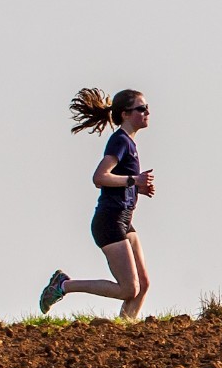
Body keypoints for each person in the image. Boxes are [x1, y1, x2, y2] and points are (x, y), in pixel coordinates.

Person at [40, 88, 156, 319]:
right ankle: (63, 285)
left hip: (124, 219)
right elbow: (100, 177)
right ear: (125, 114)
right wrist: (134, 180)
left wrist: (136, 188)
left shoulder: (130, 143)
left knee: (143, 284)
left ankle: (125, 329)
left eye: (147, 108)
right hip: (109, 220)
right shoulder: (120, 141)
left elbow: (118, 181)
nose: (147, 113)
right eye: (141, 109)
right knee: (128, 289)